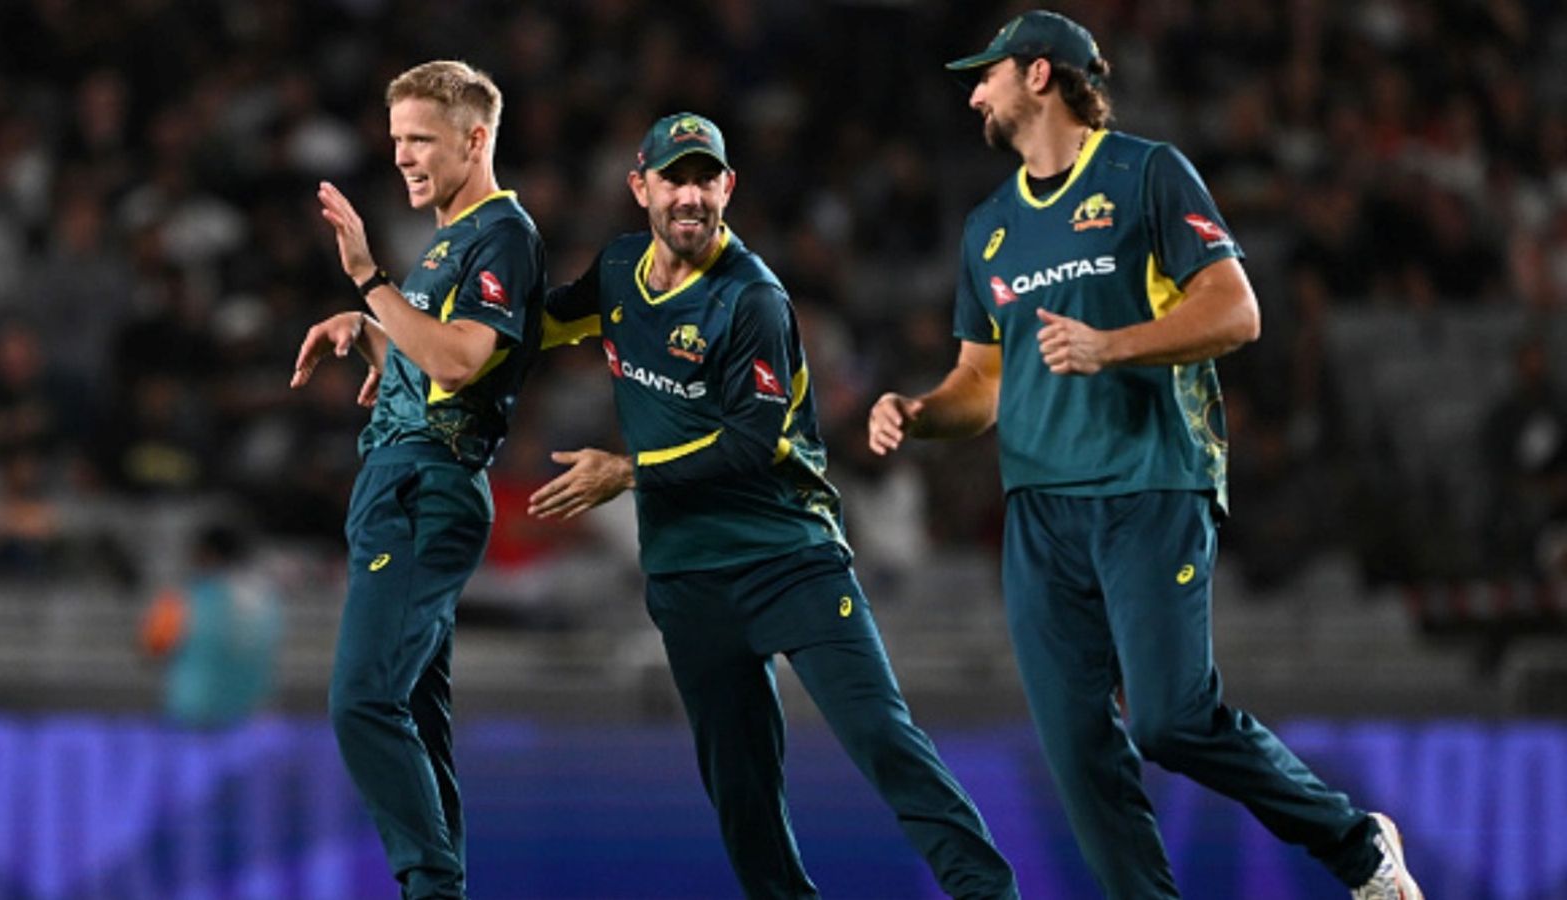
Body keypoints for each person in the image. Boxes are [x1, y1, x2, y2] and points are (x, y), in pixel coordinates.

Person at [867, 12, 1422, 900]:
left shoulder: (1147, 174)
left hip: (1151, 484)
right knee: (1081, 754)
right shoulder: (989, 228)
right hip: (1040, 512)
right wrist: (920, 410)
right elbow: (982, 380)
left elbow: (1238, 312)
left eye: (988, 75)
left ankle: (1357, 847)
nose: (974, 92)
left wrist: (1110, 346)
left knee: (1170, 722)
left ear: (1040, 74)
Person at [529, 112, 1018, 900]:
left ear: (728, 187)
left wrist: (627, 470)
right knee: (742, 795)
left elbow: (747, 444)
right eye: (673, 178)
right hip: (688, 579)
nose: (689, 196)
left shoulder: (751, 297)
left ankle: (990, 894)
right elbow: (530, 329)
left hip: (789, 564)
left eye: (704, 178)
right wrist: (400, 327)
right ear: (640, 188)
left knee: (884, 742)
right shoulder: (619, 273)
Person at [289, 60, 545, 900]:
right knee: (417, 724)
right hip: (402, 482)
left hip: (423, 489)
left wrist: (369, 280)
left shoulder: (500, 233)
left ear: (476, 139)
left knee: (362, 702)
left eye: (420, 140)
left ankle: (430, 889)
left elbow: (463, 360)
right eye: (395, 139)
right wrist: (371, 335)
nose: (402, 156)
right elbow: (428, 359)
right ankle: (440, 888)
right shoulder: (448, 240)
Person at [139, 524, 282, 729]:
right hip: (253, 721)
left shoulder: (182, 600)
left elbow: (153, 648)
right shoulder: (268, 600)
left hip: (194, 718)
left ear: (205, 554)